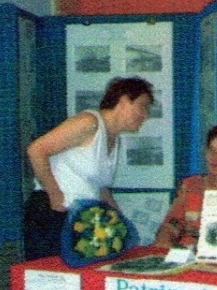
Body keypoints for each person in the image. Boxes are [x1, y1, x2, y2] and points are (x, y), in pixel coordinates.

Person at [23, 76, 154, 260]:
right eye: (143, 106)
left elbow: (100, 188)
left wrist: (122, 223)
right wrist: (54, 194)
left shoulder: (115, 139)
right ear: (124, 101)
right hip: (52, 214)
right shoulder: (89, 122)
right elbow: (36, 150)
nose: (145, 115)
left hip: (81, 219)